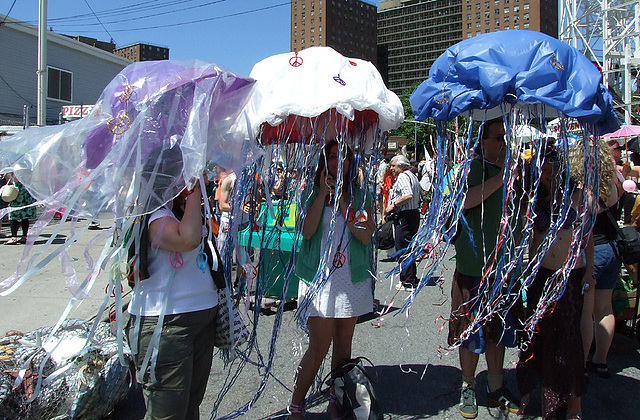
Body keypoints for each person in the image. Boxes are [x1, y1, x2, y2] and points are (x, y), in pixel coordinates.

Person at [127, 146, 223, 419]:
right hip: (167, 325)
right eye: (187, 172)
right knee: (168, 413)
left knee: (190, 407)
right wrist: (193, 189)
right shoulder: (154, 216)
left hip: (199, 320)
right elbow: (187, 239)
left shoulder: (179, 211)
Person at [289, 140, 375, 420]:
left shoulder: (361, 196)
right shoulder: (311, 193)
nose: (339, 162)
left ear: (351, 163)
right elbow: (307, 231)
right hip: (320, 280)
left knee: (344, 345)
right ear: (324, 162)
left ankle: (337, 400)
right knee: (319, 346)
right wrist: (323, 194)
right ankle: (296, 404)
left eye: (344, 157)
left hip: (350, 279)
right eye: (333, 157)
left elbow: (364, 234)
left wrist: (343, 202)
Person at [448, 119, 522, 419]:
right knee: (470, 331)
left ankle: (495, 385)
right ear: (483, 142)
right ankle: (467, 386)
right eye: (498, 138)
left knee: (497, 331)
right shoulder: (472, 169)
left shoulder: (513, 174)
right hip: (472, 269)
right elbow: (462, 203)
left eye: (506, 137)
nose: (503, 143)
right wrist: (501, 179)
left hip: (501, 269)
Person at [517, 145, 593, 420]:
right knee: (540, 338)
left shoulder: (579, 195)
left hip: (570, 276)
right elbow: (525, 239)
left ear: (562, 168)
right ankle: (539, 399)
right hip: (540, 274)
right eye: (543, 170)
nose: (547, 174)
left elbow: (588, 237)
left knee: (570, 341)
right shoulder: (534, 198)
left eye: (551, 169)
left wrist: (590, 272)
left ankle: (574, 406)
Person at [581, 139, 622, 379]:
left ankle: (583, 362)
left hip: (594, 252)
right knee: (605, 308)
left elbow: (586, 216)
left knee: (587, 311)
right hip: (613, 249)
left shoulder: (591, 186)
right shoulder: (615, 181)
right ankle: (601, 361)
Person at [385, 154, 421, 289]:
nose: (391, 168)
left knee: (402, 248)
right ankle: (411, 277)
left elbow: (407, 195)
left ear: (401, 165)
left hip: (405, 215)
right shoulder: (412, 175)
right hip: (413, 213)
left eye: (393, 165)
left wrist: (393, 205)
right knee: (409, 246)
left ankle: (407, 280)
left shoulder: (402, 177)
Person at [3, 173, 36, 245]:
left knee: (13, 216)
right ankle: (24, 236)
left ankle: (14, 237)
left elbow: (14, 179)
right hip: (27, 193)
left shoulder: (16, 168)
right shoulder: (28, 167)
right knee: (25, 216)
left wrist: (9, 175)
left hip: (17, 194)